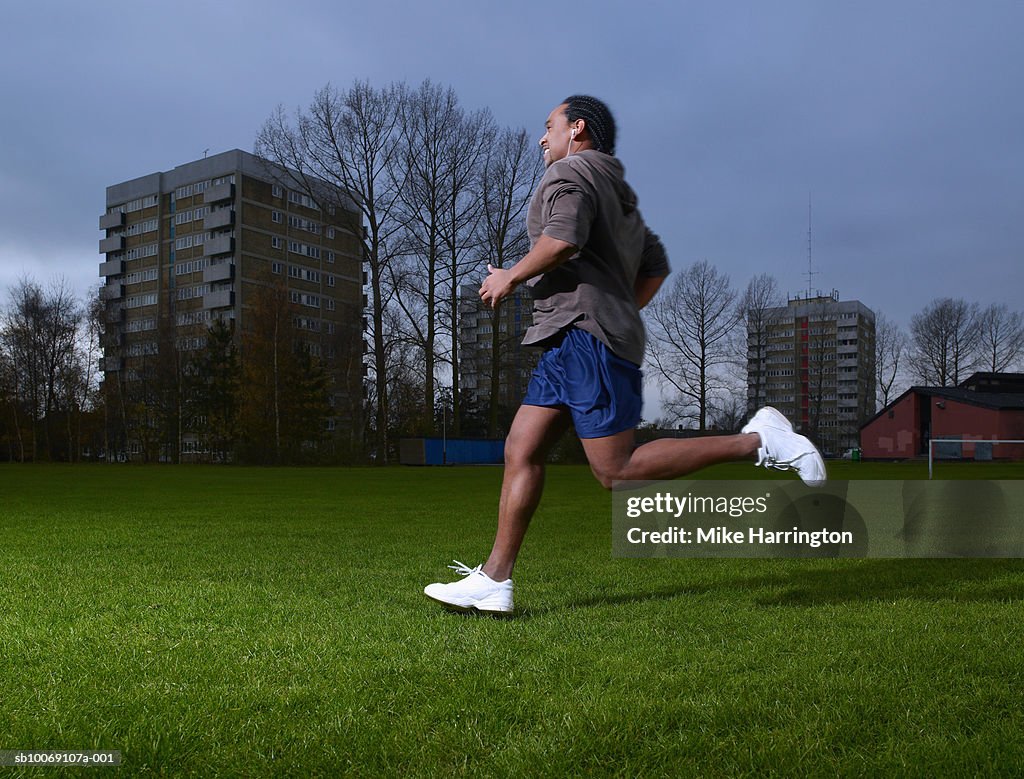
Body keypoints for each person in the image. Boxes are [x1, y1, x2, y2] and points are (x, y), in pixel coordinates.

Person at [424, 96, 825, 614]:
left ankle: (756, 442)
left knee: (615, 472)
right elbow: (654, 264)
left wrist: (510, 276)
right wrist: (618, 308)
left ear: (578, 129)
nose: (543, 139)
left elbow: (562, 240)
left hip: (583, 339)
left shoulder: (569, 173)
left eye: (550, 127)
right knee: (521, 448)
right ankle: (495, 580)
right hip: (571, 339)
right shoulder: (620, 195)